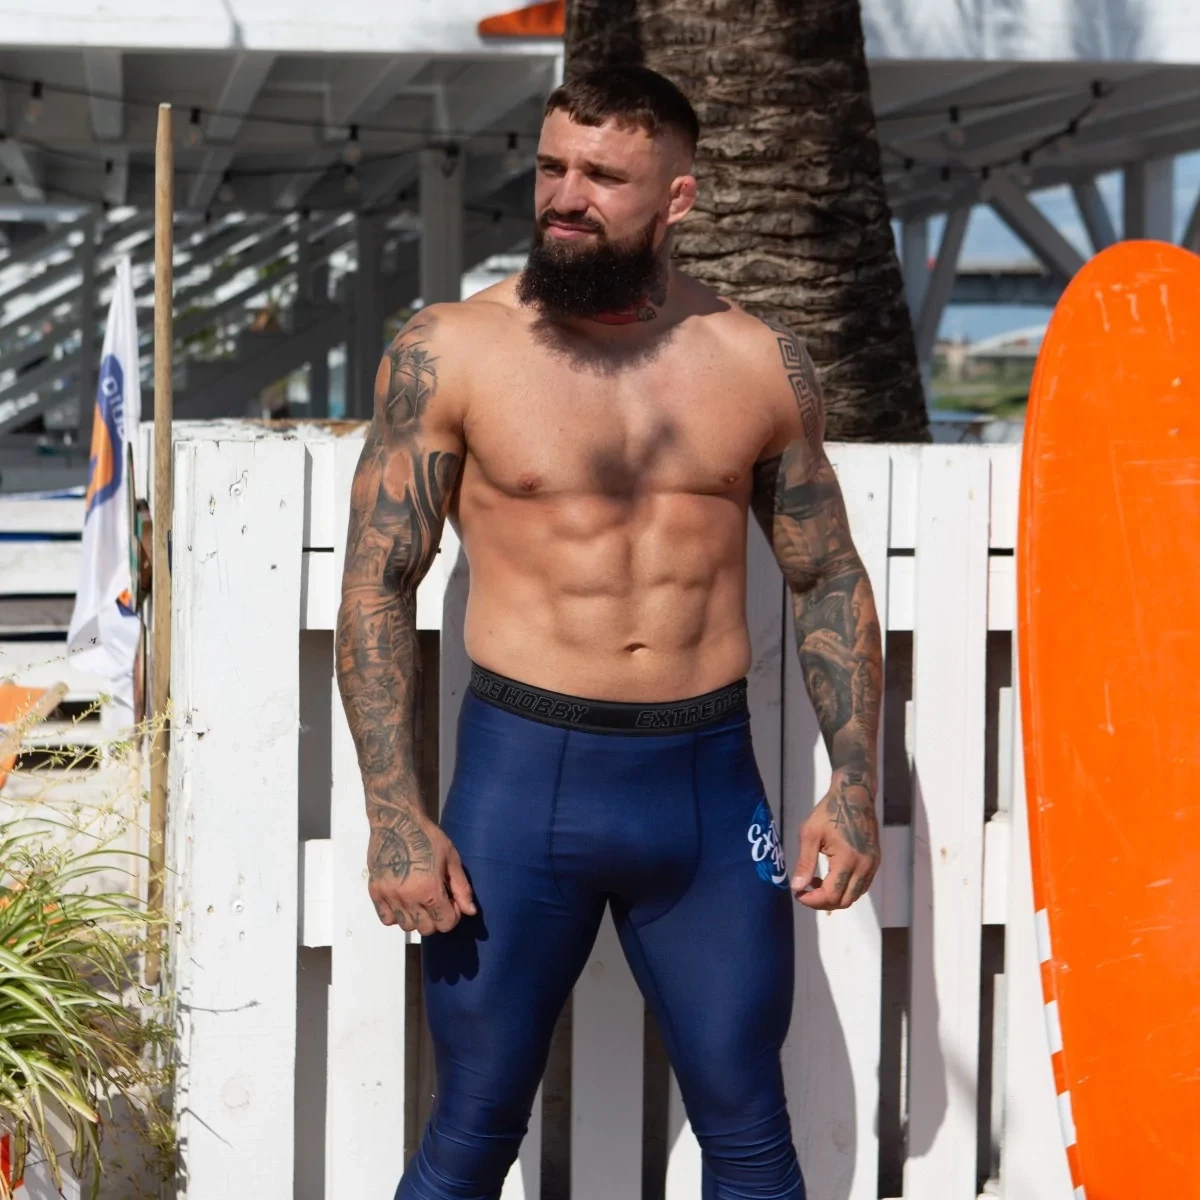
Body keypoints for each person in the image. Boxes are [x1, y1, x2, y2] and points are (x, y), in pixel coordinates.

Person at [335, 63, 883, 1200]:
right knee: (473, 1128)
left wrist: (856, 781)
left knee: (752, 1132)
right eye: (551, 167)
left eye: (602, 175)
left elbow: (827, 576)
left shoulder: (757, 359)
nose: (565, 197)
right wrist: (394, 814)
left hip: (706, 789)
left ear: (677, 197)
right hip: (521, 785)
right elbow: (378, 584)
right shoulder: (453, 350)